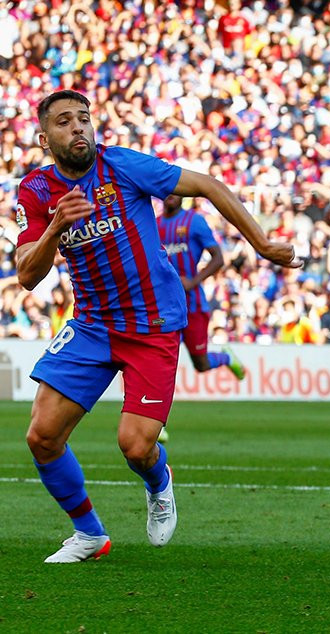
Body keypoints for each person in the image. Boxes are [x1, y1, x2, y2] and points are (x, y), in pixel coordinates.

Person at [15, 89, 298, 563]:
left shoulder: (122, 165)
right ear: (45, 139)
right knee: (41, 435)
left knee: (136, 446)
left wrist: (263, 244)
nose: (78, 127)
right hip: (92, 325)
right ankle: (89, 534)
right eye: (64, 122)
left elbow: (207, 184)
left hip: (153, 323)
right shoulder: (38, 190)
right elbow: (27, 274)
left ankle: (158, 481)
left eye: (83, 118)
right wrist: (54, 228)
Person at [157, 194, 245, 379]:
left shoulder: (194, 221)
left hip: (193, 304)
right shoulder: (154, 225)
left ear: (183, 196)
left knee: (201, 364)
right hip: (165, 306)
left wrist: (193, 281)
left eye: (176, 192)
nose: (171, 195)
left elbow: (218, 258)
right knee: (159, 357)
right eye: (166, 191)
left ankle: (226, 358)